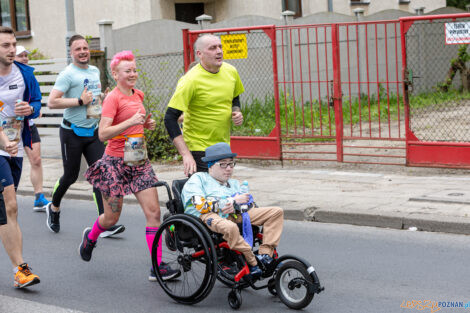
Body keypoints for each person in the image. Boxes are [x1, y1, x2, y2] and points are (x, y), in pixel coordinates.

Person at [80, 51, 180, 281]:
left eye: (135, 70)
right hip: (114, 164)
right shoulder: (112, 99)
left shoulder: (138, 94)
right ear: (116, 74)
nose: (133, 74)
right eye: (128, 71)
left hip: (138, 161)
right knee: (111, 218)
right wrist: (131, 122)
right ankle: (91, 237)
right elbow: (103, 134)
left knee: (154, 212)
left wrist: (146, 123)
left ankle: (157, 267)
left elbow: (137, 123)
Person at [47, 34, 124, 237]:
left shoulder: (94, 70)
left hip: (92, 132)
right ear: (71, 53)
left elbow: (92, 100)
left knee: (100, 175)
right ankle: (53, 207)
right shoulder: (67, 74)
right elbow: (52, 102)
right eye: (78, 49)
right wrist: (79, 101)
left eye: (85, 48)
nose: (83, 52)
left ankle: (104, 222)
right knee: (70, 176)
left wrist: (103, 99)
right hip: (71, 132)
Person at [181, 142, 284, 278]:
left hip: (235, 214)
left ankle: (265, 255)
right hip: (208, 216)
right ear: (210, 165)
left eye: (231, 164)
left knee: (276, 212)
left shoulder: (233, 183)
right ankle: (252, 261)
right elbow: (199, 205)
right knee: (231, 227)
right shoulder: (198, 179)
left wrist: (245, 202)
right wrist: (230, 201)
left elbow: (245, 205)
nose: (229, 168)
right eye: (223, 164)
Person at [164, 34, 244, 175]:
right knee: (203, 196)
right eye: (212, 48)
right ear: (199, 54)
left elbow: (234, 96)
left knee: (222, 194)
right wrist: (186, 154)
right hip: (198, 148)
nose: (219, 51)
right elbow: (170, 118)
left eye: (220, 47)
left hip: (223, 146)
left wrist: (236, 111)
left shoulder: (231, 71)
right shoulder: (190, 80)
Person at [0, 26, 41, 288]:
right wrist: (4, 142)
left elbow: (37, 102)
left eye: (13, 44)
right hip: (2, 147)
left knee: (8, 210)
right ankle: (20, 269)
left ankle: (19, 268)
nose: (12, 49)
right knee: (10, 205)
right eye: (5, 45)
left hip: (14, 145)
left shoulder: (25, 73)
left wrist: (30, 109)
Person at [14, 45, 50, 211]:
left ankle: (39, 197)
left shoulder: (29, 75)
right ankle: (8, 195)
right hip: (8, 128)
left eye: (25, 56)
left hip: (28, 125)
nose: (25, 59)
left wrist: (34, 109)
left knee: (36, 159)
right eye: (21, 56)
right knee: (11, 162)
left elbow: (36, 100)